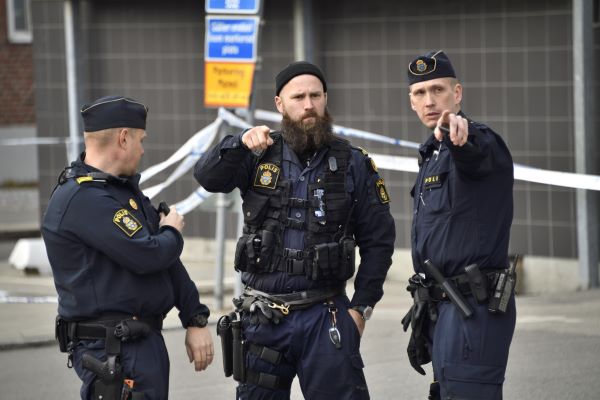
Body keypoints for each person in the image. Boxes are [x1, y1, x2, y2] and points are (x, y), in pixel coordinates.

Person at [194, 61, 395, 399]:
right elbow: (207, 177)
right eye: (298, 96)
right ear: (279, 103)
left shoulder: (353, 162)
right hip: (263, 318)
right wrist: (239, 143)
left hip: (326, 315)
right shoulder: (257, 154)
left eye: (315, 96)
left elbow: (379, 241)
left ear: (325, 98)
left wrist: (362, 307)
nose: (308, 105)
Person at [41, 96, 214, 400]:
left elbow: (166, 260)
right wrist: (172, 230)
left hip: (139, 342)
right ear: (123, 138)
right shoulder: (84, 199)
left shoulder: (118, 191)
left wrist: (195, 317)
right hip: (116, 350)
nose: (143, 149)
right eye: (140, 139)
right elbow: (150, 255)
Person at [401, 50, 516, 400]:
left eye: (438, 90)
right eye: (420, 93)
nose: (430, 100)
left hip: (473, 308)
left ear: (458, 93)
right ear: (411, 101)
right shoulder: (431, 153)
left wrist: (457, 133)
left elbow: (473, 151)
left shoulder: (478, 140)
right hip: (442, 309)